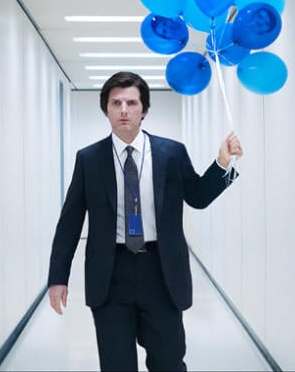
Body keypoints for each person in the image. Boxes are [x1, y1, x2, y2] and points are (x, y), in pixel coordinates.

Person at [46, 71, 243, 371]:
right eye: (116, 103)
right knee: (116, 364)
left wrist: (222, 163)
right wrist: (57, 277)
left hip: (161, 270)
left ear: (144, 110)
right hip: (110, 274)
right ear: (106, 110)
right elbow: (70, 221)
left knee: (168, 361)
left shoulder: (171, 153)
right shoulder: (89, 159)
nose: (124, 110)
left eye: (131, 103)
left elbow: (198, 197)